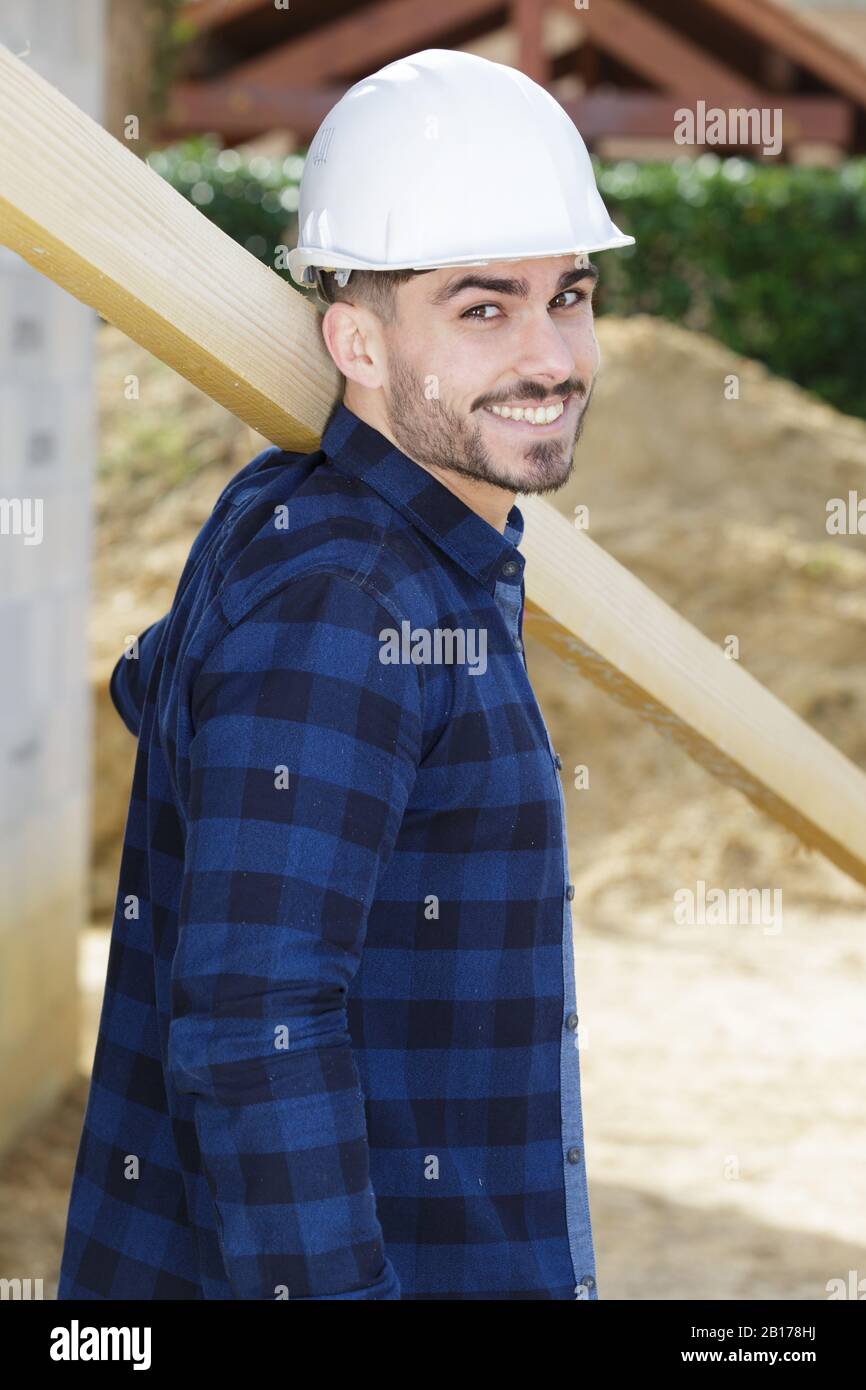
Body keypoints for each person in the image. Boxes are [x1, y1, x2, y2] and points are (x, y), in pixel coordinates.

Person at [58, 47, 634, 1301]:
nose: (552, 357)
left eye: (570, 295)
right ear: (355, 343)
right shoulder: (346, 602)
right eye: (483, 308)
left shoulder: (363, 536)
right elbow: (254, 1034)